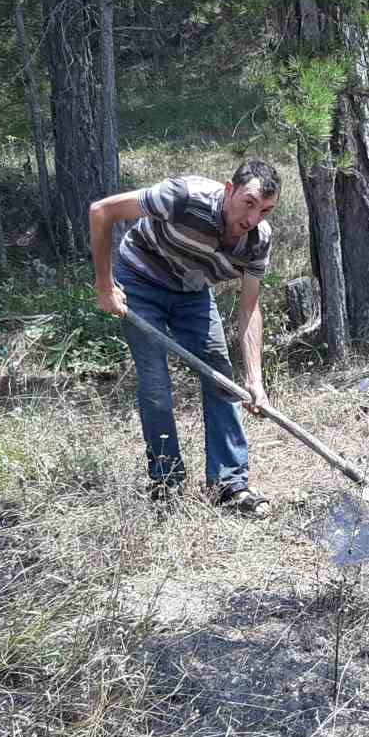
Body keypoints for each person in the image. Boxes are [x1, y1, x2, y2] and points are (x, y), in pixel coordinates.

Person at [88, 159, 280, 517]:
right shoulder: (183, 196)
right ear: (229, 190)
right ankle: (166, 484)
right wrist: (105, 286)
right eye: (248, 203)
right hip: (140, 281)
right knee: (156, 385)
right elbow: (102, 211)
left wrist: (255, 379)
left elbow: (249, 308)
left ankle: (229, 485)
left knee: (221, 378)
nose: (252, 218)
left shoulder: (258, 240)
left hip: (192, 291)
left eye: (265, 210)